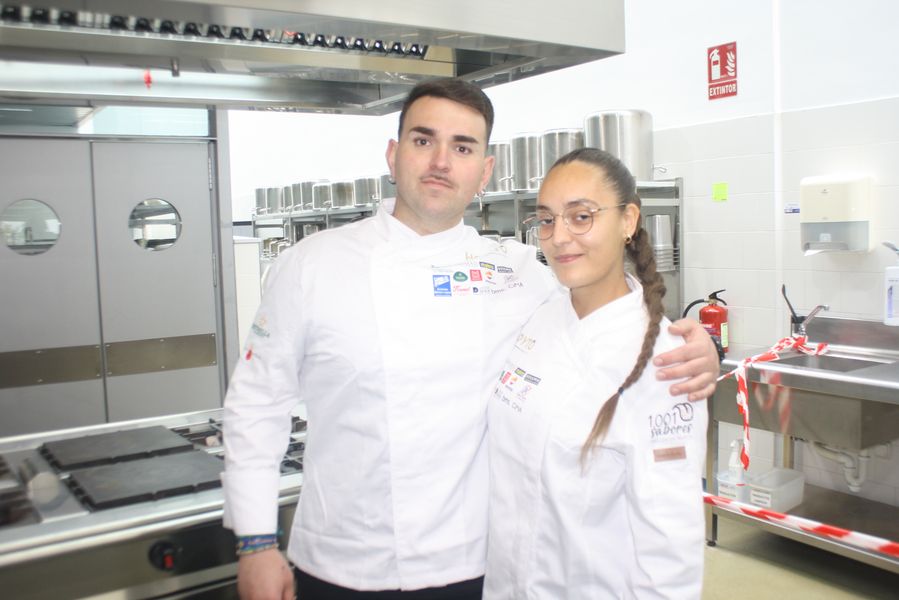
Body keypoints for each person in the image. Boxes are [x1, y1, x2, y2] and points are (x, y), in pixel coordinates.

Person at [222, 78, 718, 600]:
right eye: (423, 140)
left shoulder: (516, 271)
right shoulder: (310, 266)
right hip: (340, 560)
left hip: (472, 565)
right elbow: (257, 403)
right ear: (393, 154)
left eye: (462, 148)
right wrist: (255, 543)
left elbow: (607, 310)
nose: (440, 161)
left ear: (484, 171)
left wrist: (688, 344)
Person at [484, 148, 707, 599]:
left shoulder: (663, 362)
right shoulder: (541, 315)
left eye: (581, 217)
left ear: (628, 221)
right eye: (547, 220)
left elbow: (670, 543)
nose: (559, 237)